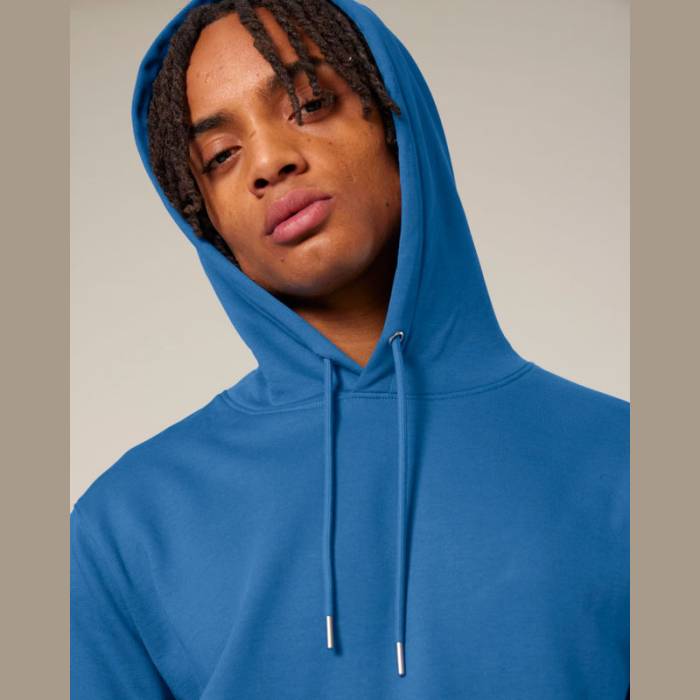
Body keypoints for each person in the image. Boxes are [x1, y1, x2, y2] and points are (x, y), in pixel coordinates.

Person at [70, 1, 630, 698]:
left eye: (309, 103)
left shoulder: (631, 469)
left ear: (398, 122)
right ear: (202, 216)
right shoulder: (125, 525)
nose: (268, 161)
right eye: (220, 156)